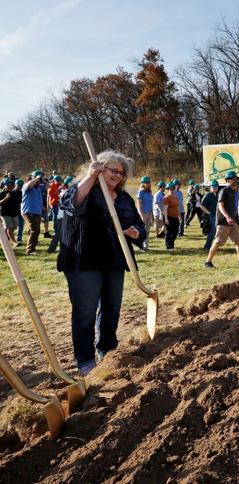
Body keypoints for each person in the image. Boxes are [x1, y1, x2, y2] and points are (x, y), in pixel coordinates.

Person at [58, 150, 145, 376]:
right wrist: (90, 177)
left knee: (111, 309)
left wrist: (136, 232)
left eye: (121, 173)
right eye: (112, 171)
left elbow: (138, 224)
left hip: (115, 260)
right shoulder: (85, 190)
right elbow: (72, 204)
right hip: (84, 260)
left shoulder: (124, 198)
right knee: (85, 311)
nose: (117, 176)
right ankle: (85, 361)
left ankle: (107, 349)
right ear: (99, 169)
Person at [205, 171, 239, 268]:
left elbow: (234, 207)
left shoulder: (235, 192)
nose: (236, 181)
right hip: (223, 221)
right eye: (234, 179)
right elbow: (220, 206)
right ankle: (208, 262)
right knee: (218, 241)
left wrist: (236, 221)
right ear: (228, 180)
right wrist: (227, 217)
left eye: (236, 179)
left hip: (233, 221)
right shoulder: (224, 191)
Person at [21, 170, 46, 255]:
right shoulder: (26, 185)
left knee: (33, 230)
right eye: (38, 180)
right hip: (29, 212)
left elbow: (49, 185)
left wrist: (42, 179)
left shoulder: (38, 188)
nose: (39, 182)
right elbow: (29, 185)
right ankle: (30, 250)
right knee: (35, 230)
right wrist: (36, 178)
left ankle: (32, 248)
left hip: (36, 212)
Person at [0, 178, 22, 245]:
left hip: (14, 213)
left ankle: (3, 236)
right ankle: (14, 242)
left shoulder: (15, 193)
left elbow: (19, 202)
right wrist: (6, 198)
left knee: (14, 227)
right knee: (9, 227)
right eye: (8, 185)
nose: (10, 186)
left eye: (11, 185)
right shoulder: (2, 193)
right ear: (4, 186)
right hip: (5, 213)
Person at [199, 180, 220, 251]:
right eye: (213, 186)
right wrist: (209, 213)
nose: (215, 188)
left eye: (216, 186)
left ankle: (210, 246)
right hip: (210, 216)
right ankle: (207, 247)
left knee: (214, 232)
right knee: (212, 231)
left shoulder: (217, 195)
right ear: (210, 187)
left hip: (216, 216)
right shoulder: (208, 195)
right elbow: (201, 206)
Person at [135, 176, 153, 250]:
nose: (149, 184)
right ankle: (140, 245)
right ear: (143, 184)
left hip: (149, 213)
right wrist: (141, 214)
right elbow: (138, 203)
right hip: (143, 213)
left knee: (147, 230)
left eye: (149, 182)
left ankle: (146, 245)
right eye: (147, 183)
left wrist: (152, 215)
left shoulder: (149, 192)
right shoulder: (141, 192)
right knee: (142, 230)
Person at [161, 181, 180, 250]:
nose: (171, 190)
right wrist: (166, 219)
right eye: (170, 189)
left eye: (173, 188)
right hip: (169, 217)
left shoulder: (175, 197)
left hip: (175, 217)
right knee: (169, 232)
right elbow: (165, 209)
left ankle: (171, 244)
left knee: (176, 231)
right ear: (168, 189)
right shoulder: (166, 198)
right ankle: (168, 246)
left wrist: (179, 215)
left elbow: (177, 207)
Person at [14, 179, 24, 243]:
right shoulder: (12, 192)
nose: (19, 187)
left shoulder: (22, 192)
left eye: (21, 186)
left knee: (21, 224)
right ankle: (8, 236)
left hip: (20, 211)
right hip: (13, 211)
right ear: (15, 185)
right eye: (18, 185)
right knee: (13, 226)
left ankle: (19, 237)